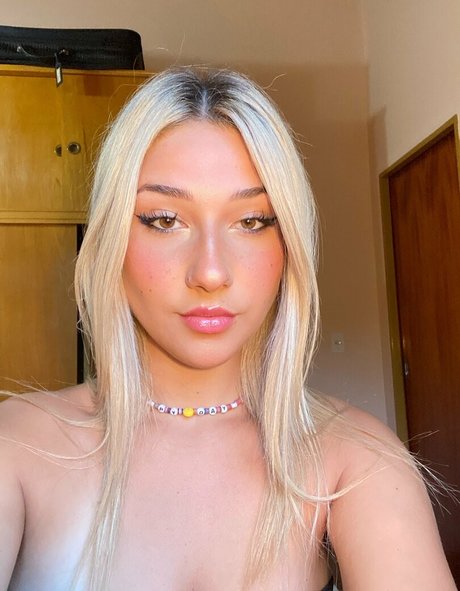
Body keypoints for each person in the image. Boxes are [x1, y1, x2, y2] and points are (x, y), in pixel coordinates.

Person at [0, 67, 456, 591]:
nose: (211, 272)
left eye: (252, 221)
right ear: (110, 239)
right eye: (164, 220)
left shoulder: (354, 460)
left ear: (288, 244)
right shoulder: (18, 446)